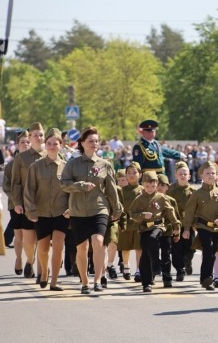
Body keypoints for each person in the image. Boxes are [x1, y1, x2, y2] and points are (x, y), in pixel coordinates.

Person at [61, 126, 123, 295]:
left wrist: (117, 209)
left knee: (98, 241)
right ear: (82, 143)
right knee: (82, 248)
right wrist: (80, 186)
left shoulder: (105, 165)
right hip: (78, 211)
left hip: (99, 209)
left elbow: (111, 189)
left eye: (96, 141)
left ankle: (97, 279)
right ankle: (85, 282)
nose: (95, 144)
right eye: (91, 141)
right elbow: (64, 184)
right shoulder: (73, 164)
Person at [23, 128, 69, 290]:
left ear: (60, 145)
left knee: (58, 245)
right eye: (48, 143)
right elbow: (28, 191)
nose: (51, 146)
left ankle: (54, 281)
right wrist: (31, 211)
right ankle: (44, 273)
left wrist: (70, 209)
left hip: (61, 213)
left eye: (55, 143)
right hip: (41, 213)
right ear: (45, 145)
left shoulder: (66, 167)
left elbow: (71, 190)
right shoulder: (35, 167)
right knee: (42, 249)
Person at [183, 161, 218, 290]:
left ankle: (209, 277)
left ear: (217, 176)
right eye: (207, 173)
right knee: (208, 250)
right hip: (203, 226)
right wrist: (186, 228)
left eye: (213, 173)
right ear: (201, 176)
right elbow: (189, 212)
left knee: (215, 251)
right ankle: (206, 278)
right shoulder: (197, 194)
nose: (210, 175)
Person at [130, 171, 181, 292]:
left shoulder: (161, 197)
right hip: (144, 229)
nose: (150, 189)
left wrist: (176, 226)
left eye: (153, 186)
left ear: (157, 185)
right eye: (147, 186)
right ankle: (146, 283)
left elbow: (170, 211)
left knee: (153, 238)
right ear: (143, 185)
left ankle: (157, 264)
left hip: (158, 226)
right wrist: (142, 215)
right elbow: (132, 214)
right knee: (145, 256)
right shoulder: (139, 199)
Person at [11, 122, 47, 280]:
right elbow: (16, 183)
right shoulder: (21, 158)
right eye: (35, 135)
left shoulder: (51, 154)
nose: (38, 138)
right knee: (29, 239)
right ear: (29, 137)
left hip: (47, 205)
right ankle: (29, 261)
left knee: (44, 240)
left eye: (41, 135)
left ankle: (42, 272)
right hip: (27, 204)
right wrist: (17, 202)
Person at [2, 130, 31, 275]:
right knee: (18, 235)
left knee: (31, 236)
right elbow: (6, 185)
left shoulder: (37, 162)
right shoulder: (11, 165)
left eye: (28, 142)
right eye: (23, 142)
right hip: (15, 205)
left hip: (33, 205)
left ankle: (29, 262)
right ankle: (19, 258)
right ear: (17, 146)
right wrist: (16, 199)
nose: (26, 144)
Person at [167, 161, 196, 281]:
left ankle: (187, 262)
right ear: (176, 175)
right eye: (180, 173)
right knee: (176, 249)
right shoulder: (171, 190)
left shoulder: (194, 191)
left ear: (189, 176)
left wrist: (195, 223)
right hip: (176, 224)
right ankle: (180, 270)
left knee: (190, 248)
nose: (183, 175)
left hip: (190, 224)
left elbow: (198, 208)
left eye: (185, 173)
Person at [117, 162, 144, 282]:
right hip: (126, 221)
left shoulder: (143, 190)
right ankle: (126, 267)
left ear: (140, 174)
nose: (131, 175)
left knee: (139, 247)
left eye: (134, 172)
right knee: (125, 247)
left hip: (139, 222)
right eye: (128, 173)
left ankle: (139, 269)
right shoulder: (122, 190)